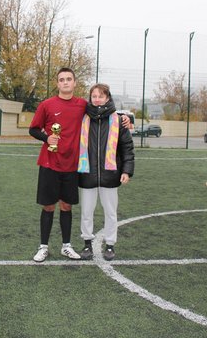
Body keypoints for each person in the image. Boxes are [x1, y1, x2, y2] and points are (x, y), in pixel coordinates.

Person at [28, 68, 131, 262]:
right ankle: (43, 247)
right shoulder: (46, 105)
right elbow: (33, 129)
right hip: (49, 163)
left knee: (66, 206)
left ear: (75, 83)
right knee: (48, 206)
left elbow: (103, 110)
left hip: (72, 166)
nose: (65, 82)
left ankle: (66, 246)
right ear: (57, 83)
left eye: (69, 79)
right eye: (61, 80)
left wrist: (125, 117)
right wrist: (46, 138)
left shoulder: (83, 105)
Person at [78, 83, 134, 261]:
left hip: (110, 175)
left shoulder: (119, 120)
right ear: (90, 98)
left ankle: (110, 245)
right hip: (87, 174)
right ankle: (87, 244)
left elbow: (127, 148)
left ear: (107, 98)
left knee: (110, 212)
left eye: (100, 96)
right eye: (94, 96)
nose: (97, 99)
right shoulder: (82, 118)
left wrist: (127, 171)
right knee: (86, 212)